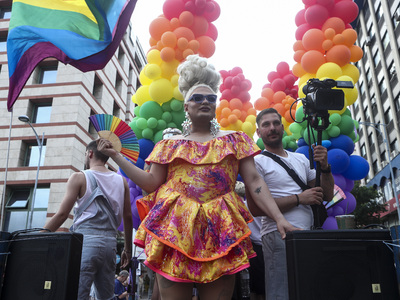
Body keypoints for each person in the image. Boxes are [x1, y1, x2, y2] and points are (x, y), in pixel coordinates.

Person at [97, 54, 298, 300]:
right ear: (186, 105)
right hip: (175, 229)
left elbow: (255, 181)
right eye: (197, 98)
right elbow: (150, 184)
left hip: (221, 229)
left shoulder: (234, 140)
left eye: (211, 98)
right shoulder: (169, 144)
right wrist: (116, 156)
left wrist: (279, 218)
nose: (205, 101)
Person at [246, 108, 334, 300]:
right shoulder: (256, 162)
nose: (272, 128)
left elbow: (326, 194)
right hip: (278, 236)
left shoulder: (300, 159)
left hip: (308, 234)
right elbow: (255, 209)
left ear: (283, 127)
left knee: (309, 290)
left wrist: (325, 167)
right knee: (281, 293)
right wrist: (298, 199)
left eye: (276, 123)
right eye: (266, 125)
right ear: (259, 132)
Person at [43, 140, 133, 300]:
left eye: (85, 154)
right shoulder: (122, 181)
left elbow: (62, 214)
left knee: (78, 294)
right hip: (110, 246)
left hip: (85, 243)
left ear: (90, 153)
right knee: (106, 297)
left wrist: (40, 235)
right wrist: (127, 249)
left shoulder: (79, 177)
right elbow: (127, 217)